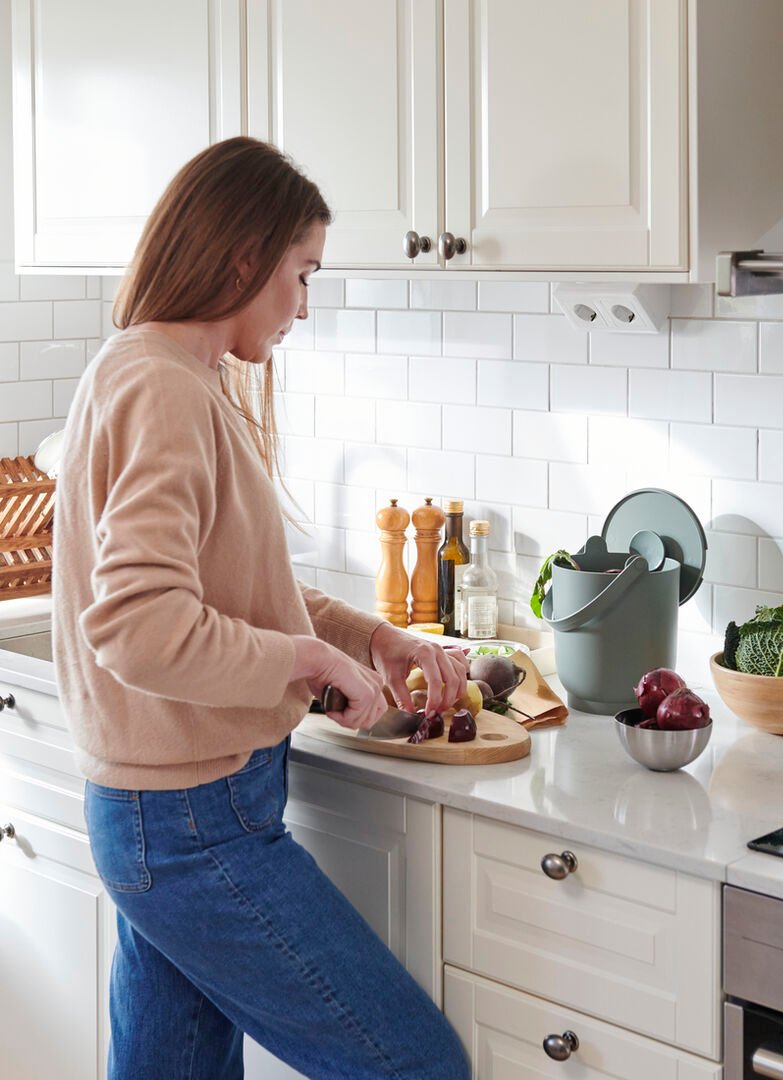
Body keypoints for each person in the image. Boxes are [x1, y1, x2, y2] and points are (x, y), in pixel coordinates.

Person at [52, 136, 471, 1080]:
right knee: (418, 1067)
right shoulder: (163, 386)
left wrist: (369, 636)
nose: (304, 306)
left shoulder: (151, 370)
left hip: (164, 815)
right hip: (191, 821)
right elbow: (141, 626)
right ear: (245, 258)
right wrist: (309, 662)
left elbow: (230, 587)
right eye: (303, 273)